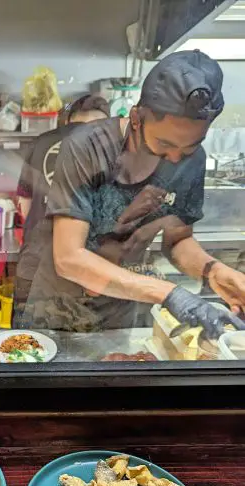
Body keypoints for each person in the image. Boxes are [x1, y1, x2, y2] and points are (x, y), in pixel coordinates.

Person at [13, 50, 245, 339]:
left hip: (121, 308)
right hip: (57, 307)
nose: (175, 158)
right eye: (163, 143)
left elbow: (178, 240)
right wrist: (170, 294)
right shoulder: (87, 147)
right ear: (136, 118)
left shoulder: (192, 161)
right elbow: (69, 257)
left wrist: (213, 271)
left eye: (189, 147)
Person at [14, 94, 110, 315]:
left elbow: (25, 204)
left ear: (69, 120)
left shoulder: (42, 141)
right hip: (85, 270)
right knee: (82, 346)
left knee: (30, 343)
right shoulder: (108, 144)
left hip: (35, 263)